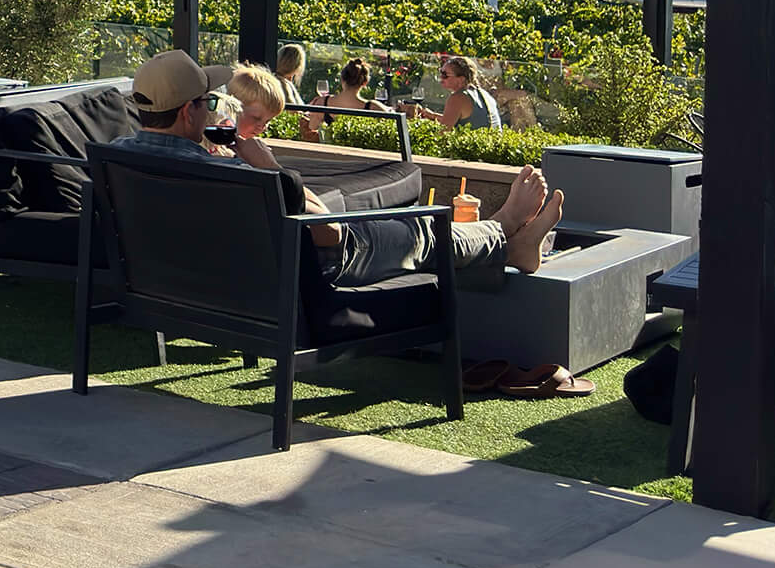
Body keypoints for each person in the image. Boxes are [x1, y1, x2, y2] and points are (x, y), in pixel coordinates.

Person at [125, 48, 575, 387]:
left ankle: (508, 243)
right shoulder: (235, 176)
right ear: (187, 111)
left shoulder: (118, 162)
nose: (213, 108)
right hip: (315, 272)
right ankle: (504, 229)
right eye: (206, 101)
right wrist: (271, 170)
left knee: (389, 222)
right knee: (422, 229)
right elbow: (330, 233)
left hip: (201, 293)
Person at [404, 53, 502, 132]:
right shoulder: (484, 94)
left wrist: (415, 125)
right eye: (440, 72)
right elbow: (467, 122)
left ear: (461, 79)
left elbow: (442, 133)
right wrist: (433, 116)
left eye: (445, 75)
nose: (440, 78)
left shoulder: (458, 98)